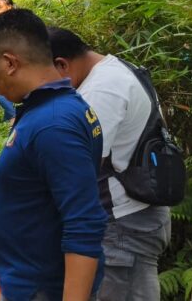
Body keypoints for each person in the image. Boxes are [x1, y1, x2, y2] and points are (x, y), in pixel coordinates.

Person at [0, 9, 107, 301]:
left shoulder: (53, 124)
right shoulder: (56, 107)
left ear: (10, 62)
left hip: (40, 288)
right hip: (29, 280)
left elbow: (84, 223)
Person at [48, 27, 171, 301]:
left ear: (61, 64)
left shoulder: (102, 90)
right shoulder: (116, 70)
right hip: (134, 218)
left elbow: (80, 168)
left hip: (125, 225)